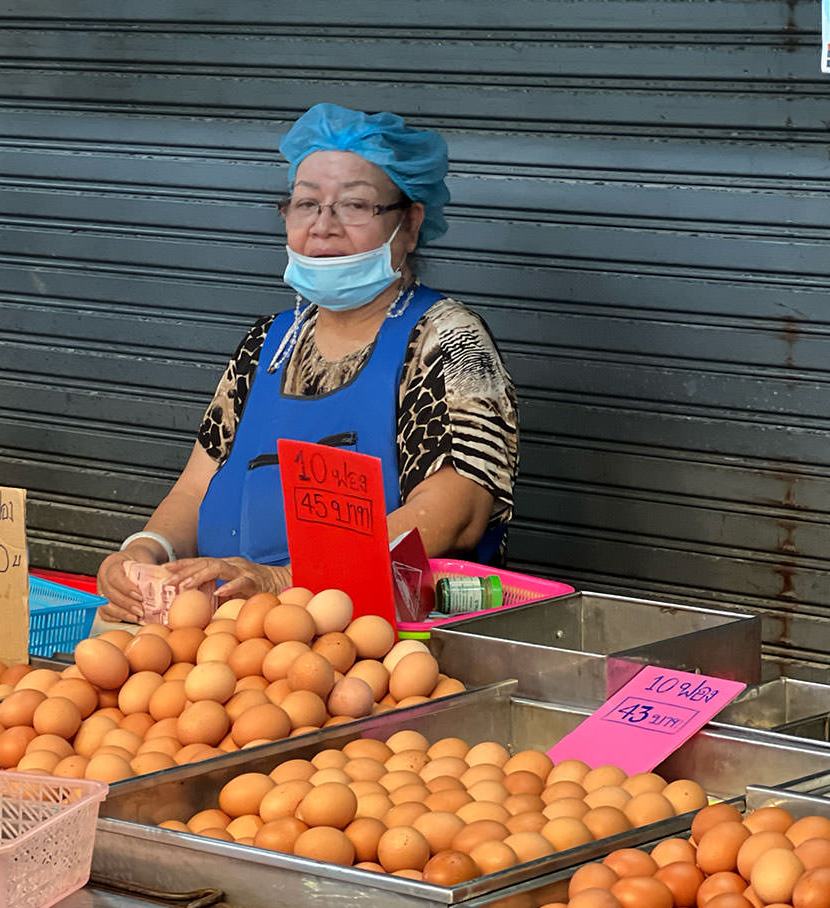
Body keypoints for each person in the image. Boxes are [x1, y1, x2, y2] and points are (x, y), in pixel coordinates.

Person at [96, 103, 519, 623]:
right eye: (305, 205)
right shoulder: (267, 343)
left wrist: (287, 582)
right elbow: (195, 488)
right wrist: (145, 550)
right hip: (240, 637)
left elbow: (456, 514)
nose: (323, 228)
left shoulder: (450, 342)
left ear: (409, 224)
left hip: (388, 644)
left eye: (355, 206)